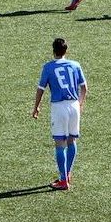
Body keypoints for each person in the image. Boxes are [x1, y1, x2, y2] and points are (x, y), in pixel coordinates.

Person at [31, 37, 87, 191]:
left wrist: (36, 107)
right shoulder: (75, 65)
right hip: (74, 105)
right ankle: (67, 174)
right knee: (72, 141)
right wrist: (80, 104)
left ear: (53, 51)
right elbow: (84, 88)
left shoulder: (48, 67)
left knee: (59, 144)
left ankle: (63, 180)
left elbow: (41, 89)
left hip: (59, 107)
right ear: (66, 51)